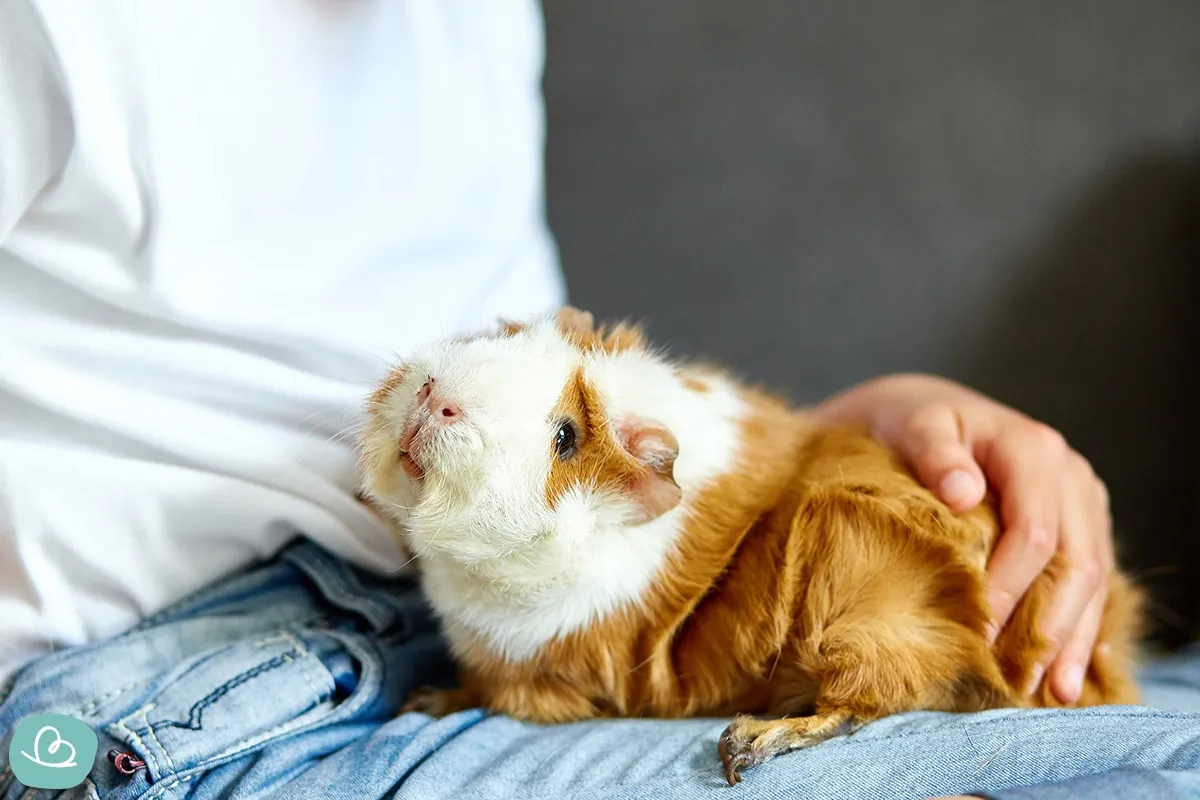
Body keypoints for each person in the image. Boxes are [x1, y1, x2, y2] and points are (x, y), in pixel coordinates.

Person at [1, 3, 1198, 798]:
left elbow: (543, 415)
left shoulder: (468, 20)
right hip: (174, 708)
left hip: (473, 631)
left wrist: (808, 460)